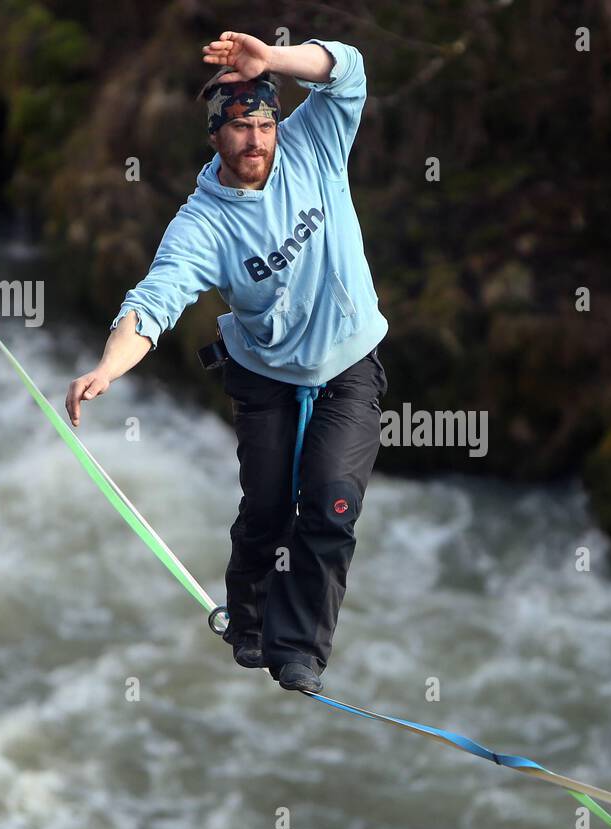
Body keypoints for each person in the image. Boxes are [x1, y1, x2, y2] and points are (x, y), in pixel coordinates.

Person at [65, 32, 389, 693]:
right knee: (267, 511)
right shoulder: (202, 224)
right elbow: (153, 301)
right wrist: (108, 367)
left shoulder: (315, 144)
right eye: (239, 129)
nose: (255, 141)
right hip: (266, 373)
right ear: (216, 138)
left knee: (328, 507)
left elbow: (348, 69)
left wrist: (274, 60)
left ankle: (298, 648)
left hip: (347, 362)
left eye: (264, 123)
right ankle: (248, 618)